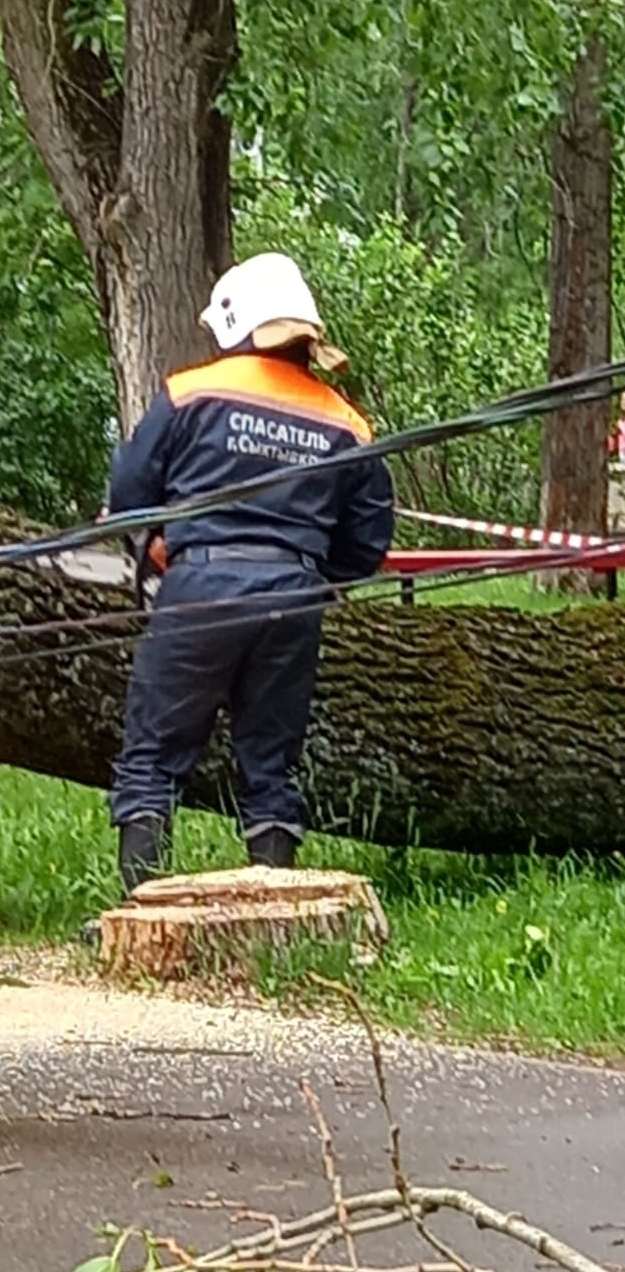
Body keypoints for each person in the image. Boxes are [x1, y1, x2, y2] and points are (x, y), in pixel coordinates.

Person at [108, 251, 395, 893]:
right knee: (270, 764)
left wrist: (159, 544)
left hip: (199, 589)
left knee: (153, 753)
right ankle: (278, 908)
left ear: (236, 324)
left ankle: (142, 901)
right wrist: (311, 572)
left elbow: (129, 493)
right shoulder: (345, 422)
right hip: (294, 601)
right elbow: (369, 540)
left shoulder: (190, 392)